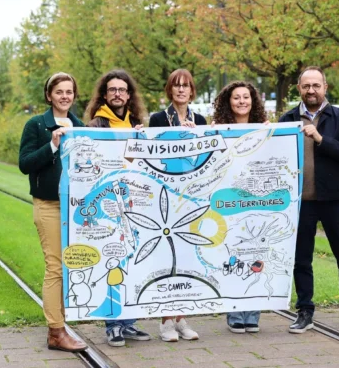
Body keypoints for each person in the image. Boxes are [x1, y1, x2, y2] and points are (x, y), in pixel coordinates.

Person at [279, 66, 339, 334]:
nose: (311, 90)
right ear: (299, 88)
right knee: (301, 259)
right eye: (306, 86)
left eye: (316, 86)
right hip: (301, 202)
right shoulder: (287, 119)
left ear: (325, 87)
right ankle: (304, 311)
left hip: (335, 199)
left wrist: (321, 139)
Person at [18, 72, 88, 352]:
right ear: (49, 95)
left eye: (69, 91)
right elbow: (25, 164)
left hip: (75, 208)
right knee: (55, 267)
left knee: (72, 266)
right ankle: (56, 332)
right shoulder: (36, 125)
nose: (64, 96)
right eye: (59, 92)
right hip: (48, 205)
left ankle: (62, 324)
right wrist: (52, 146)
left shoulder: (80, 126)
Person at [84, 69, 152, 347]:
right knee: (111, 262)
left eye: (122, 90)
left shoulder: (136, 123)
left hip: (134, 202)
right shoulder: (95, 125)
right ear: (104, 94)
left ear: (129, 94)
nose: (117, 94)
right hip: (107, 204)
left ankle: (129, 322)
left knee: (132, 262)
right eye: (112, 89)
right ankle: (113, 325)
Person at [149, 69, 203, 342]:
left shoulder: (200, 120)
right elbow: (150, 154)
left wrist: (196, 137)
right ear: (169, 90)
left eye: (186, 86)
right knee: (166, 258)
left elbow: (208, 157)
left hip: (191, 196)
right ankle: (166, 321)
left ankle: (181, 317)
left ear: (192, 91)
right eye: (176, 85)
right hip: (166, 195)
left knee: (187, 258)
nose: (181, 90)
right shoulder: (158, 119)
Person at [212, 81, 268, 334]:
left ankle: (253, 313)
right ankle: (234, 312)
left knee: (257, 253)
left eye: (246, 97)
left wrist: (274, 135)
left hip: (257, 203)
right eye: (237, 97)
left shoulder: (266, 129)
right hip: (229, 203)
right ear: (229, 102)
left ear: (253, 101)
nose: (242, 101)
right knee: (232, 255)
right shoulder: (218, 129)